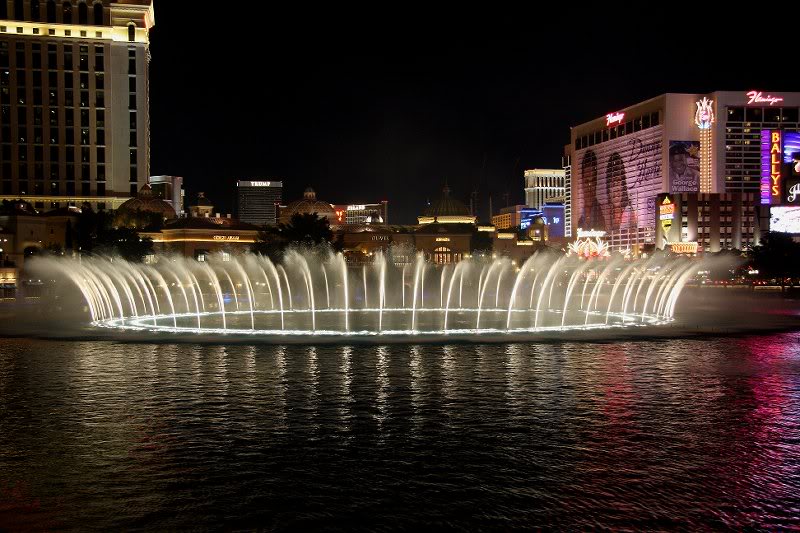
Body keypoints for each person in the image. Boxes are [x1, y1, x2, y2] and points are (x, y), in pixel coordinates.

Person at [605, 152, 636, 232]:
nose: (615, 187)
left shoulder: (629, 211)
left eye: (618, 182)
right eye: (612, 183)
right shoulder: (603, 212)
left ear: (623, 187)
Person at [577, 150, 606, 231]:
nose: (590, 187)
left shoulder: (601, 213)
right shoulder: (579, 217)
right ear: (582, 182)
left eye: (593, 181)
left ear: (596, 182)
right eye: (586, 182)